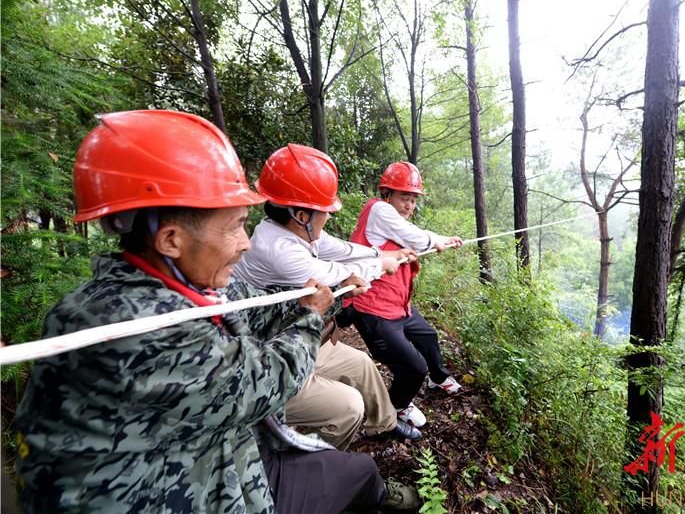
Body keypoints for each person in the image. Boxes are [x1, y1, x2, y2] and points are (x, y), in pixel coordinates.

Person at [13, 110, 418, 513]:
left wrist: (300, 302)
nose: (245, 243)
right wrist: (311, 317)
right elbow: (261, 385)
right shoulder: (137, 327)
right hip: (183, 490)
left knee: (355, 468)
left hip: (216, 456)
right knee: (354, 462)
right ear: (171, 240)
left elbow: (253, 311)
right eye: (235, 226)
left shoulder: (184, 288)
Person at [234, 144, 422, 448]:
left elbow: (339, 249)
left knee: (362, 364)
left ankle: (384, 424)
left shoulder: (289, 231)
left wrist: (381, 254)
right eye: (325, 212)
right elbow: (331, 271)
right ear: (300, 214)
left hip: (287, 334)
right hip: (269, 354)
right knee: (348, 407)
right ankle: (318, 465)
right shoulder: (277, 250)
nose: (329, 218)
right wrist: (377, 265)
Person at [347, 161, 464, 428]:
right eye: (404, 197)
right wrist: (436, 241)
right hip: (372, 308)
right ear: (387, 193)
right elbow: (417, 237)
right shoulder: (379, 210)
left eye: (413, 200)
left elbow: (417, 234)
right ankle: (395, 409)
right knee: (413, 368)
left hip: (398, 306)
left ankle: (438, 378)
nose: (409, 205)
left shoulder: (392, 221)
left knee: (428, 337)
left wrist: (444, 238)